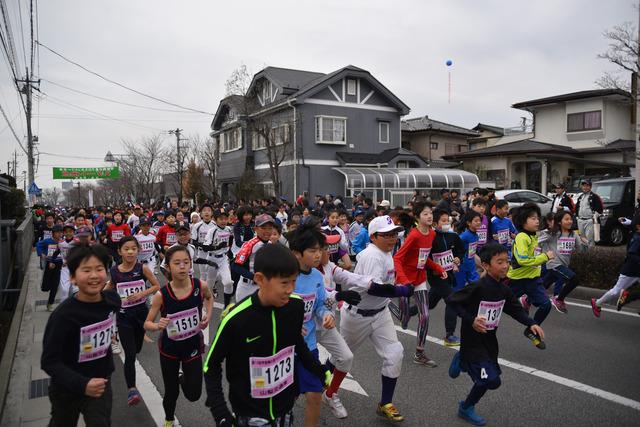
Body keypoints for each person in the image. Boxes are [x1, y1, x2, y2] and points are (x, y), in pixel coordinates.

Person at [203, 243, 330, 427]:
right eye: (284, 283)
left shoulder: (295, 306)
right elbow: (211, 366)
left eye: (294, 281)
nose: (290, 289)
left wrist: (318, 369)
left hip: (285, 408)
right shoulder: (236, 319)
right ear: (260, 279)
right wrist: (220, 413)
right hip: (250, 413)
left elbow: (297, 343)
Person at [447, 243, 546, 426]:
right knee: (489, 380)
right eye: (499, 262)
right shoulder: (477, 287)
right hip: (472, 341)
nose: (505, 266)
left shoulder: (504, 290)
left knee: (493, 382)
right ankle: (466, 407)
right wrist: (471, 320)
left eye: (507, 261)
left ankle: (462, 362)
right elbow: (453, 301)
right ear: (485, 265)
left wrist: (531, 323)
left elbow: (516, 310)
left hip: (489, 341)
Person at [340, 215, 414, 422]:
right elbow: (374, 288)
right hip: (358, 316)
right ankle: (323, 381)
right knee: (342, 357)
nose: (392, 238)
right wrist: (401, 290)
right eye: (387, 235)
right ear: (373, 237)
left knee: (395, 353)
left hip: (380, 313)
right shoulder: (372, 255)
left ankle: (385, 403)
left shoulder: (386, 252)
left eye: (394, 234)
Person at [41, 244, 120, 427]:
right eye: (86, 270)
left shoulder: (111, 301)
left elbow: (111, 318)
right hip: (66, 388)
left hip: (101, 383)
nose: (94, 275)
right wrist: (82, 384)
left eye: (99, 269)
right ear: (73, 277)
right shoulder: (63, 316)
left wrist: (112, 335)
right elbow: (49, 361)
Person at [145, 245, 214, 427]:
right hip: (170, 350)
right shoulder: (162, 295)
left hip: (192, 347)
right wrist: (156, 325)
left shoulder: (200, 285)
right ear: (168, 267)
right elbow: (147, 323)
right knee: (171, 392)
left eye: (186, 262)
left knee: (194, 394)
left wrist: (208, 315)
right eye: (177, 263)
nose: (182, 266)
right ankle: (169, 420)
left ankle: (182, 376)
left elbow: (209, 297)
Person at [287, 223, 336, 426]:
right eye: (312, 251)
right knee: (287, 400)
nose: (318, 255)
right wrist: (287, 325)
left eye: (320, 250)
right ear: (297, 254)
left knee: (315, 396)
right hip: (284, 349)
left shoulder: (317, 276)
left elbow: (319, 305)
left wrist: (326, 315)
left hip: (309, 347)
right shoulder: (284, 277)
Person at [104, 236, 160, 406]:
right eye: (126, 249)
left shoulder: (142, 268)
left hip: (141, 315)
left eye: (133, 248)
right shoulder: (114, 271)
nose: (130, 252)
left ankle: (138, 341)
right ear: (120, 251)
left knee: (136, 349)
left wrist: (141, 294)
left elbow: (156, 286)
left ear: (138, 250)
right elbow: (111, 286)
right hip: (123, 316)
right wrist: (98, 297)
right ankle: (132, 389)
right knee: (129, 354)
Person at [392, 200, 446, 367]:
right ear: (417, 217)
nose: (429, 216)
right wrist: (404, 280)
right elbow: (397, 258)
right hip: (405, 280)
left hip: (420, 279)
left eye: (431, 213)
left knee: (425, 315)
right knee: (403, 318)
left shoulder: (432, 234)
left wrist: (438, 267)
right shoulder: (414, 235)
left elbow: (424, 258)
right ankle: (386, 303)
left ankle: (419, 353)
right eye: (425, 214)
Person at [507, 203, 554, 349]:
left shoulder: (534, 236)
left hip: (533, 279)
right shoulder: (522, 237)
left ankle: (531, 330)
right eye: (533, 218)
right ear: (523, 221)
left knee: (546, 305)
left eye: (538, 218)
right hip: (516, 280)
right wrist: (544, 257)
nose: (537, 221)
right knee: (500, 305)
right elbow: (522, 260)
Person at [538, 210, 588, 313]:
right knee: (575, 279)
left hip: (563, 265)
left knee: (543, 286)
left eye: (570, 219)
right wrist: (540, 254)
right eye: (566, 219)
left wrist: (586, 244)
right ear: (559, 222)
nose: (570, 221)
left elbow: (581, 250)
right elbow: (536, 242)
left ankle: (527, 299)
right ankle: (559, 299)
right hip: (553, 264)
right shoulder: (553, 233)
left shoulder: (573, 234)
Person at [428, 209, 465, 346]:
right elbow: (423, 258)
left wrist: (457, 259)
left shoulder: (453, 236)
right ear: (435, 223)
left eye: (447, 220)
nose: (447, 223)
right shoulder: (430, 237)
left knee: (429, 303)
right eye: (443, 221)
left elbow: (460, 250)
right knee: (452, 301)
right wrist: (433, 268)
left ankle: (409, 312)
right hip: (436, 276)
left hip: (448, 274)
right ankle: (449, 335)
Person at [591, 214, 640, 317]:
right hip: (630, 271)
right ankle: (597, 303)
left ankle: (626, 297)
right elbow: (631, 254)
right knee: (615, 292)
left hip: (637, 270)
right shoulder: (637, 238)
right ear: (638, 227)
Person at [233, 214, 275, 301]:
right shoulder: (250, 244)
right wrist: (253, 277)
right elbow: (234, 266)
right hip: (247, 287)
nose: (267, 231)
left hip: (263, 286)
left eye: (270, 228)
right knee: (243, 314)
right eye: (263, 228)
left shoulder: (271, 244)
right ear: (255, 229)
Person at [202, 209, 234, 307]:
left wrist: (229, 252)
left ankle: (226, 306)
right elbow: (205, 247)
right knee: (209, 285)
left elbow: (230, 240)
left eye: (225, 218)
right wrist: (218, 247)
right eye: (221, 219)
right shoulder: (212, 231)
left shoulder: (228, 229)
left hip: (223, 259)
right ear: (215, 220)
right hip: (212, 259)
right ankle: (203, 305)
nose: (224, 221)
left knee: (228, 282)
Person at [36, 225, 63, 311]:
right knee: (46, 286)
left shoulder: (62, 242)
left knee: (55, 286)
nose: (59, 234)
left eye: (61, 232)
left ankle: (50, 304)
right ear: (53, 233)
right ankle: (46, 286)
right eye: (57, 232)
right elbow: (38, 244)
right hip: (49, 264)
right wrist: (41, 254)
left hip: (59, 265)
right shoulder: (47, 241)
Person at [455, 211, 483, 292]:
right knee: (457, 292)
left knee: (477, 288)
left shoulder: (476, 235)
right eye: (476, 221)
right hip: (461, 268)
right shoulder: (465, 236)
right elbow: (454, 247)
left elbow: (472, 254)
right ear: (469, 223)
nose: (479, 223)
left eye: (479, 221)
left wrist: (482, 265)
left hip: (471, 267)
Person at [191, 204, 217, 282]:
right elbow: (194, 241)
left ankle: (213, 290)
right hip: (202, 252)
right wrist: (203, 245)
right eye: (204, 211)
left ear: (212, 213)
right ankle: (202, 292)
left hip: (213, 252)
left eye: (209, 210)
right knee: (203, 274)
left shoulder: (216, 225)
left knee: (213, 274)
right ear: (201, 214)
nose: (206, 212)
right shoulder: (197, 226)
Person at [575, 179, 604, 246]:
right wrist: (577, 217)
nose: (585, 187)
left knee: (589, 239)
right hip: (580, 220)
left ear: (590, 187)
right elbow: (576, 207)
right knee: (582, 239)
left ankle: (590, 255)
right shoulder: (580, 196)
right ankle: (584, 254)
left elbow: (600, 209)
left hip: (589, 221)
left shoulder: (594, 196)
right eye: (584, 186)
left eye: (587, 186)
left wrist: (594, 218)